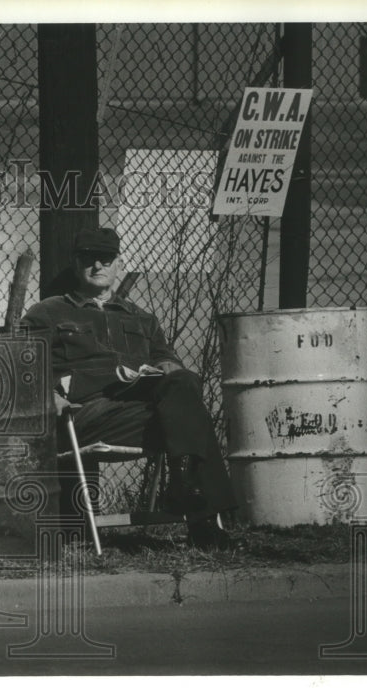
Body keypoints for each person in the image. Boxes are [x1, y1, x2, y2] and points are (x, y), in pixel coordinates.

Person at [19, 226, 236, 548]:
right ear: (76, 263)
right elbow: (21, 363)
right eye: (89, 259)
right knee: (193, 421)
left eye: (105, 259)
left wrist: (163, 368)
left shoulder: (141, 318)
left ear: (118, 263)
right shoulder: (48, 312)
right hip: (88, 412)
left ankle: (184, 485)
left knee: (184, 382)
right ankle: (199, 516)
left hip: (140, 408)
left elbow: (166, 358)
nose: (98, 266)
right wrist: (47, 394)